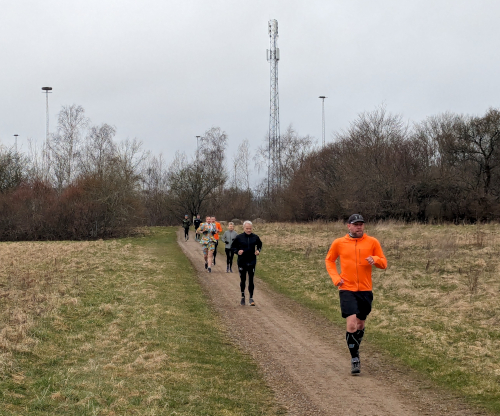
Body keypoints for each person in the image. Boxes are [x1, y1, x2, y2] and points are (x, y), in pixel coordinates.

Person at [325, 214, 387, 375]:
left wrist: (375, 259)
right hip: (346, 288)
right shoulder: (339, 243)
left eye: (361, 224)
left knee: (360, 324)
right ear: (349, 226)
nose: (359, 227)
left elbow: (383, 263)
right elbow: (329, 260)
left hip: (365, 290)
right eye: (356, 224)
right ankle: (355, 358)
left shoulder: (372, 242)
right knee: (352, 324)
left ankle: (355, 349)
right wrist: (336, 278)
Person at [232, 220, 262, 306]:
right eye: (247, 228)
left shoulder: (255, 237)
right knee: (243, 279)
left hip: (252, 261)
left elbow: (260, 245)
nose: (249, 230)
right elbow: (233, 247)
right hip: (242, 261)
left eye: (250, 228)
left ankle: (251, 298)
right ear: (244, 228)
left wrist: (257, 250)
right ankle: (242, 296)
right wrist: (237, 251)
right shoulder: (239, 237)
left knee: (251, 280)